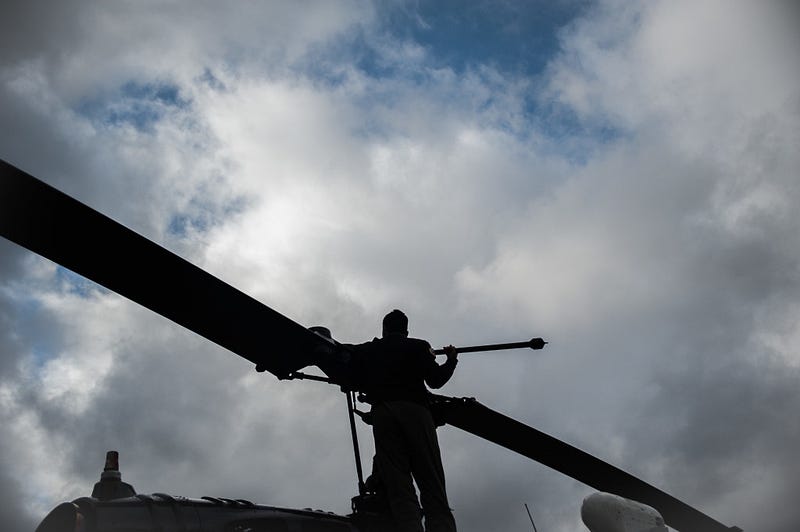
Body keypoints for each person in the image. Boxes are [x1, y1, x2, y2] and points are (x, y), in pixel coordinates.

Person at [357, 309, 459, 532]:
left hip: (383, 414)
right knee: (431, 482)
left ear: (384, 330)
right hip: (416, 412)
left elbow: (351, 361)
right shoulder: (419, 346)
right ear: (406, 330)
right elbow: (435, 381)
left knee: (398, 487)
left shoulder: (371, 350)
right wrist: (451, 360)